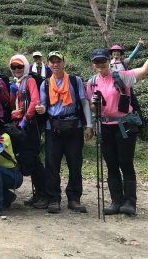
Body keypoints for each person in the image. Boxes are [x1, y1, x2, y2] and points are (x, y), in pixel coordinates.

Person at [86, 37, 148, 216]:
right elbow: (92, 107)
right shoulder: (91, 83)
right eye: (97, 61)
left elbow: (143, 70)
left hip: (124, 125)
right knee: (111, 165)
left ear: (109, 62)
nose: (100, 64)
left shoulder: (121, 77)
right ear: (93, 64)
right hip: (104, 127)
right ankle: (116, 202)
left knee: (125, 163)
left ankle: (129, 202)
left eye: (103, 60)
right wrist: (94, 103)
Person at [35, 51, 93, 214]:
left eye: (58, 61)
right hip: (52, 127)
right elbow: (44, 106)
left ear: (64, 63)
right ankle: (54, 199)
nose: (55, 64)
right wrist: (40, 110)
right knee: (51, 164)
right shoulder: (45, 84)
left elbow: (84, 103)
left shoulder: (75, 81)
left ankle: (74, 198)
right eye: (52, 62)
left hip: (74, 126)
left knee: (75, 163)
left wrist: (89, 125)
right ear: (48, 64)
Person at [8, 54, 47, 209]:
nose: (17, 70)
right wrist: (12, 94)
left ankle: (43, 194)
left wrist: (26, 119)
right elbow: (12, 104)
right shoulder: (16, 83)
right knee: (27, 159)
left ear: (25, 66)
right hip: (18, 125)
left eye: (19, 67)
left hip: (30, 126)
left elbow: (35, 100)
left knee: (34, 160)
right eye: (13, 67)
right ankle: (37, 194)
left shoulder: (29, 80)